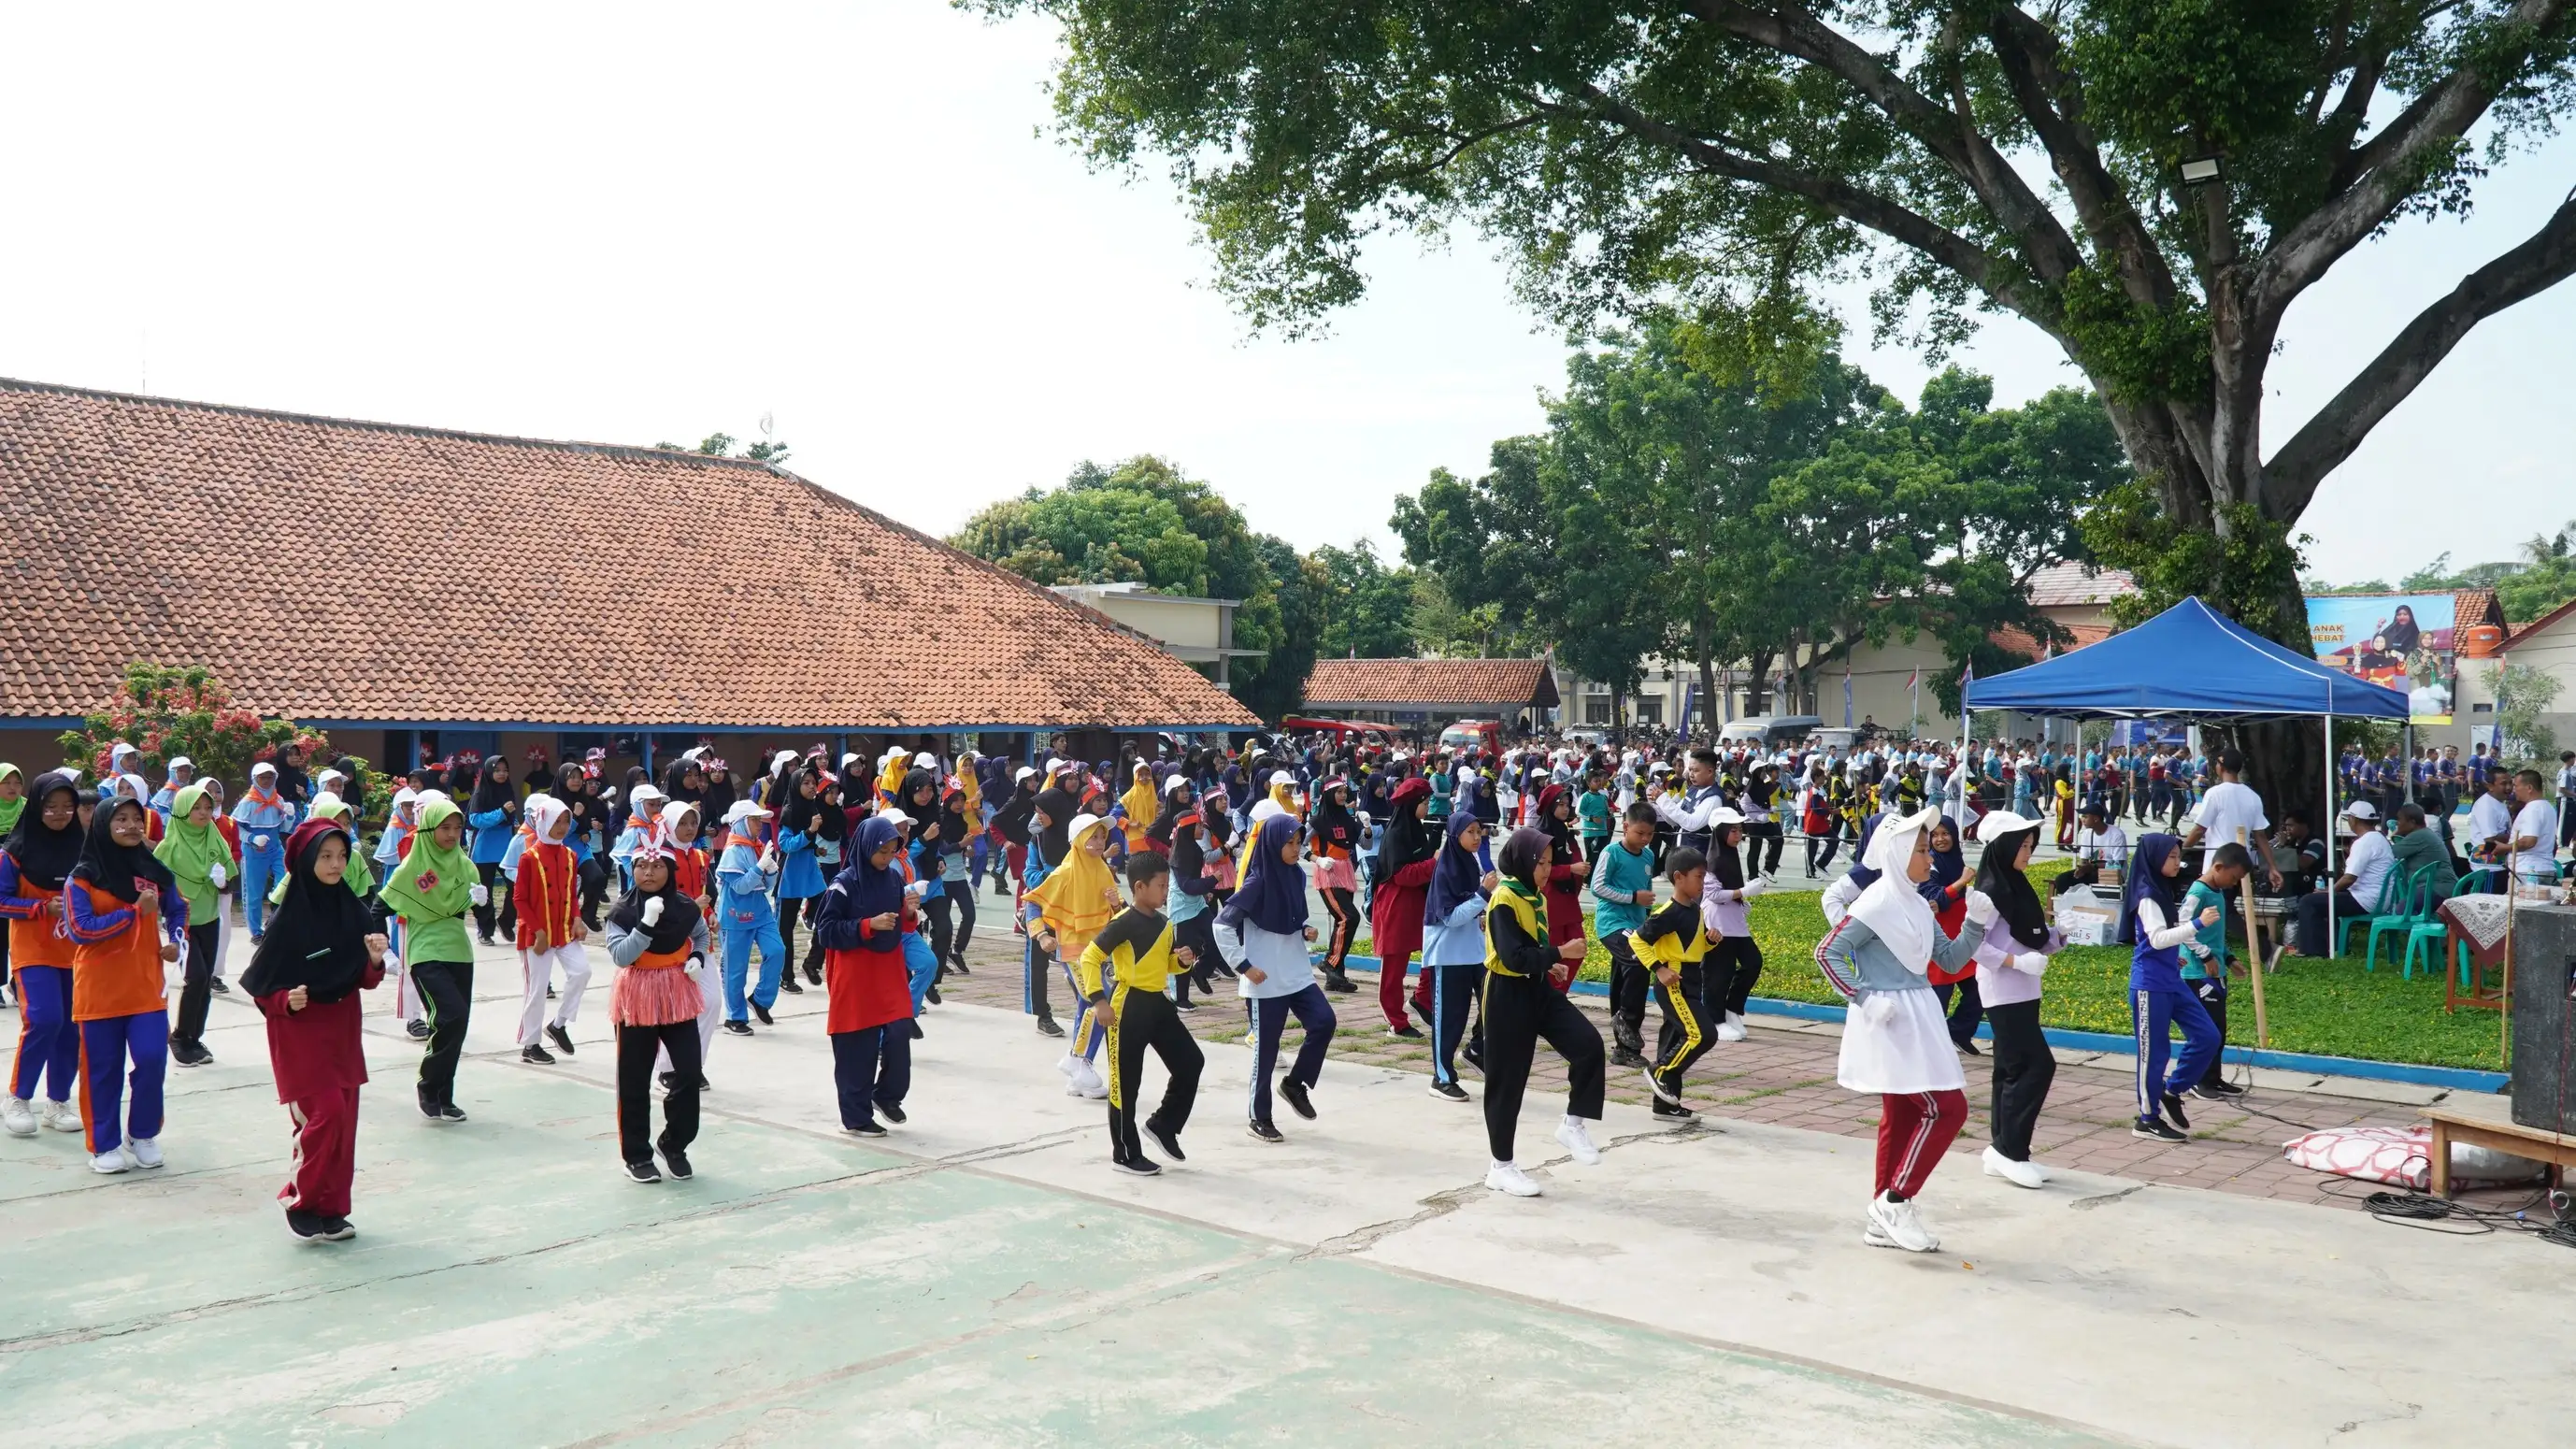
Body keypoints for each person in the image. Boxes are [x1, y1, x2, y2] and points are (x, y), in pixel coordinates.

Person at [1814, 807, 1989, 1253]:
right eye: (1922, 851)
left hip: (1919, 1012)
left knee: (1902, 1115)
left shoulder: (1914, 902)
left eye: (1928, 850)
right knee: (1947, 1109)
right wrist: (1864, 998)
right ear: (1896, 854)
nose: (1930, 859)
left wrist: (1974, 923)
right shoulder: (1876, 903)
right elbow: (1827, 952)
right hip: (1891, 1019)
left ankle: (1882, 1216)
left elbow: (1949, 958)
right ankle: (1896, 1200)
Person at [241, 819, 388, 1240]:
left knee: (344, 1123)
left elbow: (363, 979)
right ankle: (300, 1200)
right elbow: (261, 987)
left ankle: (332, 1209)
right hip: (300, 1036)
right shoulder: (287, 922)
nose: (335, 864)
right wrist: (286, 1000)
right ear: (306, 860)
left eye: (341, 856)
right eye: (325, 856)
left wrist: (374, 960)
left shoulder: (353, 911)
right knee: (325, 1115)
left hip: (342, 1032)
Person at [1476, 826, 1605, 1198]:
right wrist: (1559, 953)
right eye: (1541, 863)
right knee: (1507, 1082)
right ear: (1522, 862)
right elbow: (1512, 957)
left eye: (1550, 863)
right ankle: (1501, 1167)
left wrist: (1549, 964)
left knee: (1588, 1045)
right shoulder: (1504, 899)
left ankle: (1573, 1124)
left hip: (1537, 988)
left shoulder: (1533, 895)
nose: (1547, 870)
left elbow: (1530, 949)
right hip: (1506, 994)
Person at [64, 795, 190, 1174]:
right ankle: (104, 1145)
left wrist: (176, 941)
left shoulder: (153, 870)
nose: (132, 826)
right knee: (102, 1071)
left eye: (137, 819)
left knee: (152, 1059)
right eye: (121, 819)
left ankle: (143, 1134)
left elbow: (178, 908)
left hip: (146, 987)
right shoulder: (81, 877)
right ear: (104, 825)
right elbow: (80, 929)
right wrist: (134, 912)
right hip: (98, 991)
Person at [1075, 853, 1205, 1175]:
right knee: (1125, 1085)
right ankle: (1125, 1154)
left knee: (1191, 1061)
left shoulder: (1164, 923)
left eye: (1167, 886)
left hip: (1157, 1003)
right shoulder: (1123, 922)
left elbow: (1165, 964)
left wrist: (1182, 961)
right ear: (1139, 887)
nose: (1165, 892)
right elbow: (1089, 958)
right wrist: (1098, 1001)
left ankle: (1163, 1125)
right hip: (1127, 1007)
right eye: (1161, 886)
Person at [1214, 812, 1336, 1141]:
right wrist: (1243, 966)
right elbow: (1221, 926)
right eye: (1289, 843)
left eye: (1299, 842)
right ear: (1271, 844)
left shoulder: (1294, 875)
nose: (1297, 849)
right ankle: (1259, 1117)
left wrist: (1305, 929)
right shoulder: (1257, 883)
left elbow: (1291, 918)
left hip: (1296, 973)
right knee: (1266, 1052)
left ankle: (1295, 1084)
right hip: (1265, 981)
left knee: (1324, 1022)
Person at [598, 839, 710, 1181]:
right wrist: (646, 924)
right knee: (634, 1077)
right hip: (637, 994)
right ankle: (636, 1155)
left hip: (678, 992)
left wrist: (697, 957)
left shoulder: (685, 906)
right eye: (642, 867)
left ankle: (674, 1143)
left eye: (658, 866)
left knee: (689, 1071)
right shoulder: (622, 911)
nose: (649, 873)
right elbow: (622, 956)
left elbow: (701, 935)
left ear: (670, 871)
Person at [1967, 811, 2060, 1188]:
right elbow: (1973, 945)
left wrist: (2060, 933)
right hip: (2002, 990)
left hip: (2025, 989)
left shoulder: (2016, 886)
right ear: (2004, 848)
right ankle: (2010, 1150)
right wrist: (2016, 962)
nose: (2028, 853)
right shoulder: (1989, 893)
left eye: (2031, 845)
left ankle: (2003, 1149)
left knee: (2010, 1068)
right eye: (2023, 846)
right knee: (2037, 1065)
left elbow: (2030, 936)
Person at [378, 795, 478, 1123]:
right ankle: (428, 1084)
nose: (452, 834)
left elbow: (480, 913)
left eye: (458, 828)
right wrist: (380, 947)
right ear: (428, 828)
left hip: (459, 953)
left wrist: (484, 904)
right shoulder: (413, 867)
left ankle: (444, 1096)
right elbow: (379, 908)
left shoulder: (465, 865)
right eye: (445, 827)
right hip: (425, 953)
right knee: (450, 1016)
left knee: (458, 1025)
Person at [2119, 834, 2222, 1143]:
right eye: (2172, 857)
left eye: (2179, 856)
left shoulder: (2161, 889)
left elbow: (2161, 938)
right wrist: (2198, 924)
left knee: (2207, 1036)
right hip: (2150, 985)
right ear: (2154, 859)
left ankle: (2172, 1090)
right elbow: (2156, 938)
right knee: (2154, 1054)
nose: (2179, 862)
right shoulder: (2147, 895)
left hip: (2170, 979)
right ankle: (2147, 1119)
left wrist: (2172, 957)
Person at [1, 771, 86, 1138]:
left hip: (76, 951)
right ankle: (18, 1098)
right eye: (51, 806)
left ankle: (58, 1102)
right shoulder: (12, 853)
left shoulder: (85, 849)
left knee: (72, 1027)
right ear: (36, 807)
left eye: (67, 806)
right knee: (45, 1019)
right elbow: (2, 901)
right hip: (33, 950)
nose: (60, 813)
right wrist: (39, 908)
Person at [1025, 807, 1123, 1096]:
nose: (1100, 843)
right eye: (1093, 837)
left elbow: (1117, 913)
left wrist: (1115, 904)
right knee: (1100, 1001)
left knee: (1087, 1005)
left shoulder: (1102, 870)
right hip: (1073, 951)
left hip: (1097, 950)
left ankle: (1078, 1074)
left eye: (1102, 837)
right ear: (1079, 840)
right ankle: (1080, 1062)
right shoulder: (1065, 872)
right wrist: (1041, 935)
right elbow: (1034, 902)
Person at [151, 782, 236, 1069]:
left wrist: (223, 881)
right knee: (196, 978)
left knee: (205, 982)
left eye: (208, 807)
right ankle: (179, 1037)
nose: (203, 813)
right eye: (196, 808)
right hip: (183, 923)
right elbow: (154, 884)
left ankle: (194, 1039)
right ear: (182, 811)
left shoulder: (214, 837)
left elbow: (229, 879)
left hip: (210, 918)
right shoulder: (169, 846)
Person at [1625, 845, 1711, 1118]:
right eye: (1699, 876)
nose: (1703, 882)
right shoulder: (1669, 912)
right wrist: (1659, 969)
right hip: (1675, 983)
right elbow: (1637, 940)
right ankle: (1658, 1071)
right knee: (1702, 1035)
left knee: (1674, 1038)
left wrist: (1710, 941)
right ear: (1678, 877)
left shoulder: (1695, 909)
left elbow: (1692, 947)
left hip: (1693, 978)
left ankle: (1665, 1105)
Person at [509, 794, 592, 1063]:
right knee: (537, 990)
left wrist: (577, 919)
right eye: (557, 821)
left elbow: (571, 893)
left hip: (564, 930)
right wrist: (539, 932)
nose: (562, 827)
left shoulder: (570, 855)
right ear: (543, 822)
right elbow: (519, 899)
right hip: (537, 935)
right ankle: (530, 1045)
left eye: (566, 821)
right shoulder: (529, 857)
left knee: (582, 972)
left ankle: (558, 1024)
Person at [1419, 812, 1493, 1103]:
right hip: (1448, 955)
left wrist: (1482, 909)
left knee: (1494, 1002)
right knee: (1450, 1019)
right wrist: (1483, 895)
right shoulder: (1446, 870)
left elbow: (1471, 907)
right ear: (1455, 835)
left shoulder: (1471, 862)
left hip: (1474, 952)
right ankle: (1442, 1078)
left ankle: (1476, 1050)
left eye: (1479, 831)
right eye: (1470, 831)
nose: (1477, 837)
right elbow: (1450, 917)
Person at [2180, 842, 2254, 1103]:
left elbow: (2214, 935)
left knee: (2219, 1029)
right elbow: (2183, 928)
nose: (2234, 883)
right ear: (2218, 867)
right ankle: (2198, 1080)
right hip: (2197, 973)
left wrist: (2229, 958)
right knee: (2206, 1030)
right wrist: (2205, 955)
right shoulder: (2198, 892)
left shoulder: (2218, 893)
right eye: (2233, 878)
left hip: (2216, 972)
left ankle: (2213, 1077)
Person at [1367, 778, 1438, 1040]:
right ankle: (1396, 1022)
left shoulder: (1416, 829)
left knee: (1434, 952)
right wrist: (1434, 863)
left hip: (1417, 903)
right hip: (1396, 905)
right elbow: (1402, 875)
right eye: (1425, 802)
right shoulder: (1397, 834)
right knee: (1394, 967)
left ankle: (1421, 999)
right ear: (1413, 804)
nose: (1428, 806)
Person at [1592, 803, 1660, 1067]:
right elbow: (1597, 887)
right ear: (1625, 827)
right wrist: (1632, 897)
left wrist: (1647, 916)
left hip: (1635, 925)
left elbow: (1647, 890)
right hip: (1612, 923)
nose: (1645, 839)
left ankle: (1624, 1050)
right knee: (1639, 961)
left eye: (1650, 834)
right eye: (1640, 833)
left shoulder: (1648, 856)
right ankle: (1626, 1020)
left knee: (1622, 980)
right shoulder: (1611, 853)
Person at [714, 799, 786, 1036]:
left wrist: (771, 871)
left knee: (777, 951)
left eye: (759, 820)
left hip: (761, 912)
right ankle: (734, 1017)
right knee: (735, 969)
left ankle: (760, 999)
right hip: (735, 916)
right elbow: (740, 887)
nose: (759, 824)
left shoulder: (757, 846)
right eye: (754, 820)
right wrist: (759, 867)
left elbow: (766, 886)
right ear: (742, 823)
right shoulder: (733, 851)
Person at [2290, 802, 2392, 957]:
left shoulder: (2364, 842)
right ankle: (2334, 946)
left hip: (2365, 899)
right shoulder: (2379, 838)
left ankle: (2312, 951)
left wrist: (2329, 891)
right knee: (2323, 902)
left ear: (2353, 819)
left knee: (2308, 901)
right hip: (2378, 898)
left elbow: (2349, 878)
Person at [1700, 810, 1767, 1043]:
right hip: (1717, 924)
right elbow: (1713, 894)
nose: (1738, 835)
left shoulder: (1730, 856)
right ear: (1721, 832)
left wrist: (1742, 900)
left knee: (1753, 962)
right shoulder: (1712, 861)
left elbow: (1729, 890)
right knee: (1718, 973)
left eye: (1740, 830)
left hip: (1735, 922)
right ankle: (1715, 1020)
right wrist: (1743, 892)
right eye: (1733, 830)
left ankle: (1732, 1008)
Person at [2182, 749, 2279, 891]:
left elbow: (2199, 830)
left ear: (2221, 766)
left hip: (2218, 868)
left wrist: (2181, 851)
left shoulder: (2214, 793)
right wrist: (2273, 867)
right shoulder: (2253, 796)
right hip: (2241, 870)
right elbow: (2261, 836)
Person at [1306, 777, 1364, 994]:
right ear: (1329, 794)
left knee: (1343, 922)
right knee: (1349, 917)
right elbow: (1297, 843)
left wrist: (1367, 828)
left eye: (1344, 792)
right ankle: (1330, 962)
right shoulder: (1317, 821)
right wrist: (1317, 859)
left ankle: (1336, 977)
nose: (1342, 796)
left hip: (1345, 871)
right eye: (1338, 792)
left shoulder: (1348, 818)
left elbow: (1364, 843)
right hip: (1327, 873)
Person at [231, 760, 295, 942]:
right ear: (255, 779)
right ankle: (256, 932)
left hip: (276, 848)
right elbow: (235, 828)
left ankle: (275, 922)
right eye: (262, 778)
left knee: (284, 884)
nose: (266, 781)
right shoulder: (247, 803)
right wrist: (252, 838)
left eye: (270, 777)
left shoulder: (278, 800)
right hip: (254, 851)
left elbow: (285, 828)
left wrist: (290, 816)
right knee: (254, 893)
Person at [465, 755, 521, 944]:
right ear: (489, 772)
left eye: (505, 770)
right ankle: (485, 930)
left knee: (517, 885)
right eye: (497, 770)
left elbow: (511, 814)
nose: (502, 774)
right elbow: (475, 820)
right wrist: (501, 813)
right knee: (484, 892)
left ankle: (506, 921)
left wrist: (514, 822)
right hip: (483, 850)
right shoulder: (480, 793)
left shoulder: (508, 790)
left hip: (506, 849)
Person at [2508, 769, 2562, 885]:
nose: (2513, 790)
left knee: (2524, 898)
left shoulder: (2533, 809)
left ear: (2529, 788)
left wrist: (2503, 848)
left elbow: (2529, 841)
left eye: (2516, 786)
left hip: (2528, 871)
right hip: (2543, 868)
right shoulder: (2547, 807)